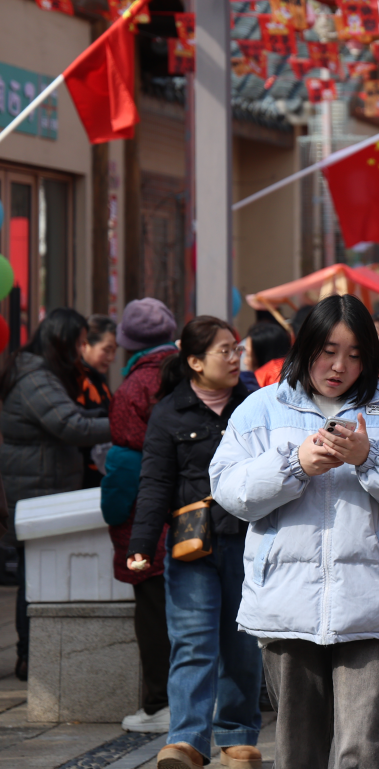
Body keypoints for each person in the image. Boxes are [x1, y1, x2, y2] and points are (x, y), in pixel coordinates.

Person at [209, 295, 379, 769]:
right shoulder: (260, 408)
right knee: (299, 749)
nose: (340, 366)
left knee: (364, 749)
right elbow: (229, 489)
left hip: (375, 599)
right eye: (328, 350)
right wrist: (294, 464)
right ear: (306, 346)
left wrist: (370, 458)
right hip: (285, 601)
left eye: (356, 354)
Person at [124, 317, 258, 769]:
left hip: (246, 540)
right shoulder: (168, 413)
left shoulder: (254, 405)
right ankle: (186, 741)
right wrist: (141, 544)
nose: (235, 356)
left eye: (237, 348)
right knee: (193, 642)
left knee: (242, 644)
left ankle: (238, 737)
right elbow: (155, 484)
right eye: (225, 350)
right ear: (195, 362)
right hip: (191, 546)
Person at [0, 307, 110, 681]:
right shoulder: (36, 377)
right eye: (80, 341)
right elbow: (71, 424)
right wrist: (124, 423)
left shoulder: (34, 371)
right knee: (34, 577)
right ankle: (30, 656)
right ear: (62, 341)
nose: (82, 350)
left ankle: (30, 654)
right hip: (35, 486)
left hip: (38, 483)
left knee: (34, 574)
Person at [102, 298, 179, 735]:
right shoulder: (188, 375)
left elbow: (126, 461)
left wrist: (114, 512)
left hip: (148, 520)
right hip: (193, 516)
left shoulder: (135, 387)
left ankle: (161, 703)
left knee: (153, 616)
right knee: (192, 614)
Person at [78, 314, 118, 486]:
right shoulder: (77, 380)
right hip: (83, 475)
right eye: (106, 350)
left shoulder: (98, 380)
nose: (111, 358)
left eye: (114, 351)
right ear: (86, 345)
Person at [242, 321, 291, 390]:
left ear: (263, 354)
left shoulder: (263, 379)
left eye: (248, 355)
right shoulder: (298, 369)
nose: (245, 361)